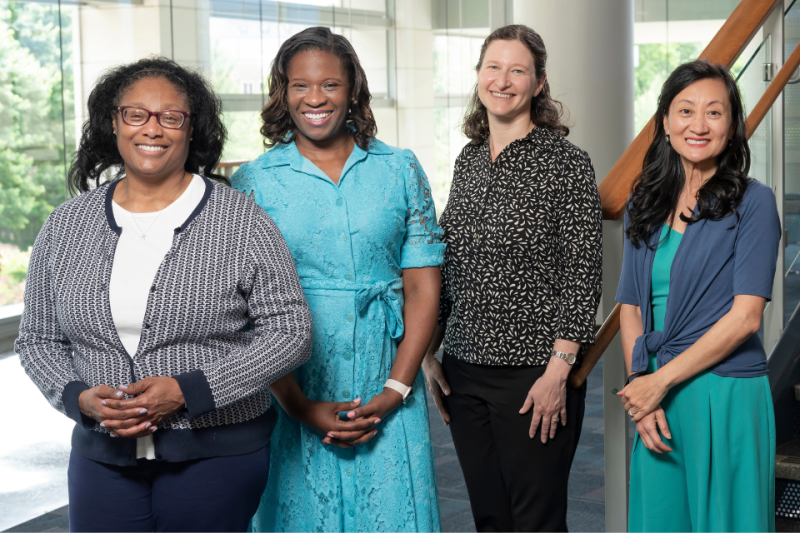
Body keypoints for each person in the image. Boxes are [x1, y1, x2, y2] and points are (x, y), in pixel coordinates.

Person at [15, 57, 312, 532]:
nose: (152, 129)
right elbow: (37, 339)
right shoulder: (66, 224)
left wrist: (189, 391)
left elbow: (291, 333)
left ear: (192, 129)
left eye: (170, 117)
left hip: (218, 452)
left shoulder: (242, 221)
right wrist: (78, 399)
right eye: (136, 114)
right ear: (113, 122)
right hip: (101, 457)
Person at [231, 27, 444, 532]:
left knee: (394, 512)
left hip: (388, 366)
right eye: (300, 85)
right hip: (294, 375)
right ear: (282, 93)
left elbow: (421, 286)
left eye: (330, 84)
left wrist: (397, 387)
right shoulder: (254, 181)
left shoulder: (400, 169)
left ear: (352, 90)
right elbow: (244, 308)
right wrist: (299, 405)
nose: (315, 98)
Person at [421, 24, 603, 532]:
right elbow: (453, 265)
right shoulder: (469, 159)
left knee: (536, 521)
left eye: (517, 70)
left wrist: (558, 371)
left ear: (539, 83)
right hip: (464, 369)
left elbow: (583, 271)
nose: (502, 80)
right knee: (489, 519)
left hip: (534, 373)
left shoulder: (566, 163)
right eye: (492, 67)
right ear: (479, 76)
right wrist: (431, 354)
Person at [616, 60, 780, 532]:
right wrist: (639, 388)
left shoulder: (754, 201)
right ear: (665, 123)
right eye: (685, 110)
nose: (699, 124)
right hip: (653, 392)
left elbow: (747, 317)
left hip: (723, 389)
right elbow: (630, 305)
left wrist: (659, 382)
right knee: (659, 522)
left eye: (715, 112)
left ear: (732, 127)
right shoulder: (642, 201)